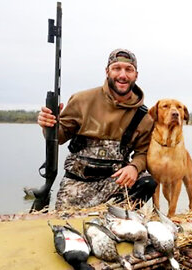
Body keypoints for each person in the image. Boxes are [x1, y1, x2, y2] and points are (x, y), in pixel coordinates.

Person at [37, 48, 156, 210]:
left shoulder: (144, 116)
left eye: (129, 70)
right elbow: (59, 137)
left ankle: (118, 220)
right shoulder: (81, 100)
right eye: (117, 68)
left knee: (148, 182)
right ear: (107, 72)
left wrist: (134, 167)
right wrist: (48, 125)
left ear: (136, 75)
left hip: (115, 183)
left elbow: (142, 152)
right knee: (66, 227)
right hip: (77, 183)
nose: (123, 75)